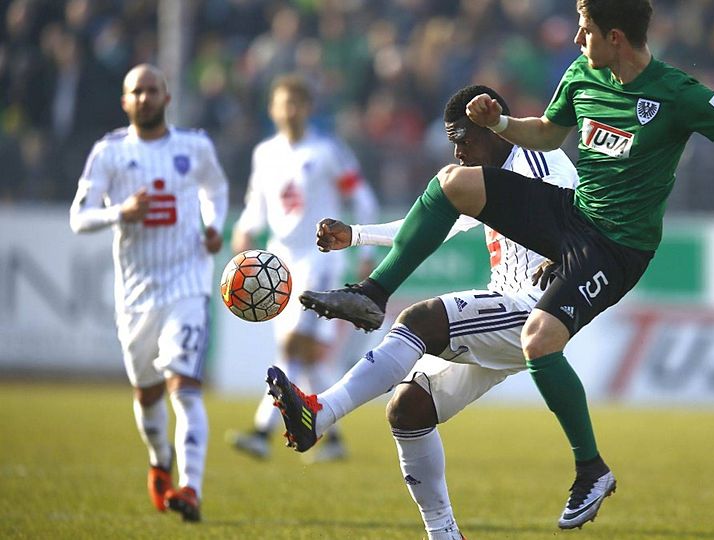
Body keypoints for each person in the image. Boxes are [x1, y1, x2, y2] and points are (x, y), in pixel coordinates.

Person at [289, 0, 714, 529]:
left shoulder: (676, 93)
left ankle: (591, 467)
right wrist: (505, 122)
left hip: (616, 249)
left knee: (539, 337)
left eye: (586, 28)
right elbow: (547, 132)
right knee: (456, 182)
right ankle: (374, 291)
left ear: (615, 37)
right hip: (572, 216)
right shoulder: (580, 78)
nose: (576, 36)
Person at [266, 84, 581, 537]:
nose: (456, 150)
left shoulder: (539, 161)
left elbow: (582, 214)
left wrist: (567, 255)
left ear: (494, 131)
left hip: (534, 311)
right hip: (507, 310)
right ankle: (444, 534)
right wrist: (355, 235)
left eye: (462, 139)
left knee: (419, 320)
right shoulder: (488, 175)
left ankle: (322, 413)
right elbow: (425, 221)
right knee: (409, 409)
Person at [69, 64, 229, 522]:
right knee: (147, 395)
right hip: (136, 293)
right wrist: (121, 212)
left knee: (185, 389)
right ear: (125, 101)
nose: (144, 98)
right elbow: (79, 217)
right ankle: (161, 461)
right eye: (135, 92)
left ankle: (192, 488)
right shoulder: (109, 152)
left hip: (187, 282)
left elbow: (214, 188)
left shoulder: (194, 145)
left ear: (167, 97)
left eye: (151, 90)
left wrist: (214, 225)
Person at [226, 74, 379, 463]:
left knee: (294, 348)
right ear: (272, 109)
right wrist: (244, 231)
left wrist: (365, 245)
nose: (290, 109)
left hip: (319, 261)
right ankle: (335, 438)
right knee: (307, 357)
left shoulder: (327, 151)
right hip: (277, 264)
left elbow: (361, 198)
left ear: (308, 108)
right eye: (283, 102)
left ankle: (262, 432)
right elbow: (255, 206)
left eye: (297, 102)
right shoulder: (265, 154)